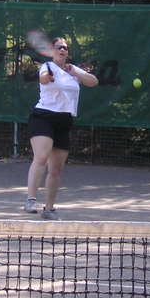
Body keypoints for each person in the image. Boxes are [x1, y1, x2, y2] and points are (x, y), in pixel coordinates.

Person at [23, 37, 98, 219]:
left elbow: (93, 81)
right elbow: (43, 78)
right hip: (43, 117)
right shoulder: (47, 66)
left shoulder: (73, 70)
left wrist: (75, 71)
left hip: (64, 121)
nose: (62, 50)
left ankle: (49, 209)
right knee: (41, 157)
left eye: (65, 47)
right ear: (52, 51)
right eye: (58, 47)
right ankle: (31, 200)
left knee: (56, 169)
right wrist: (47, 78)